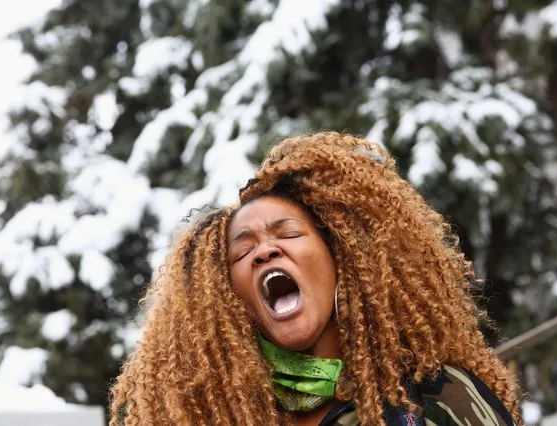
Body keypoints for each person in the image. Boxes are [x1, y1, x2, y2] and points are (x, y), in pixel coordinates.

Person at [110, 132, 521, 425]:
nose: (265, 251)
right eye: (243, 250)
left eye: (287, 233)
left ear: (342, 258)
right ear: (227, 298)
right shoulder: (213, 414)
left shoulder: (436, 399)